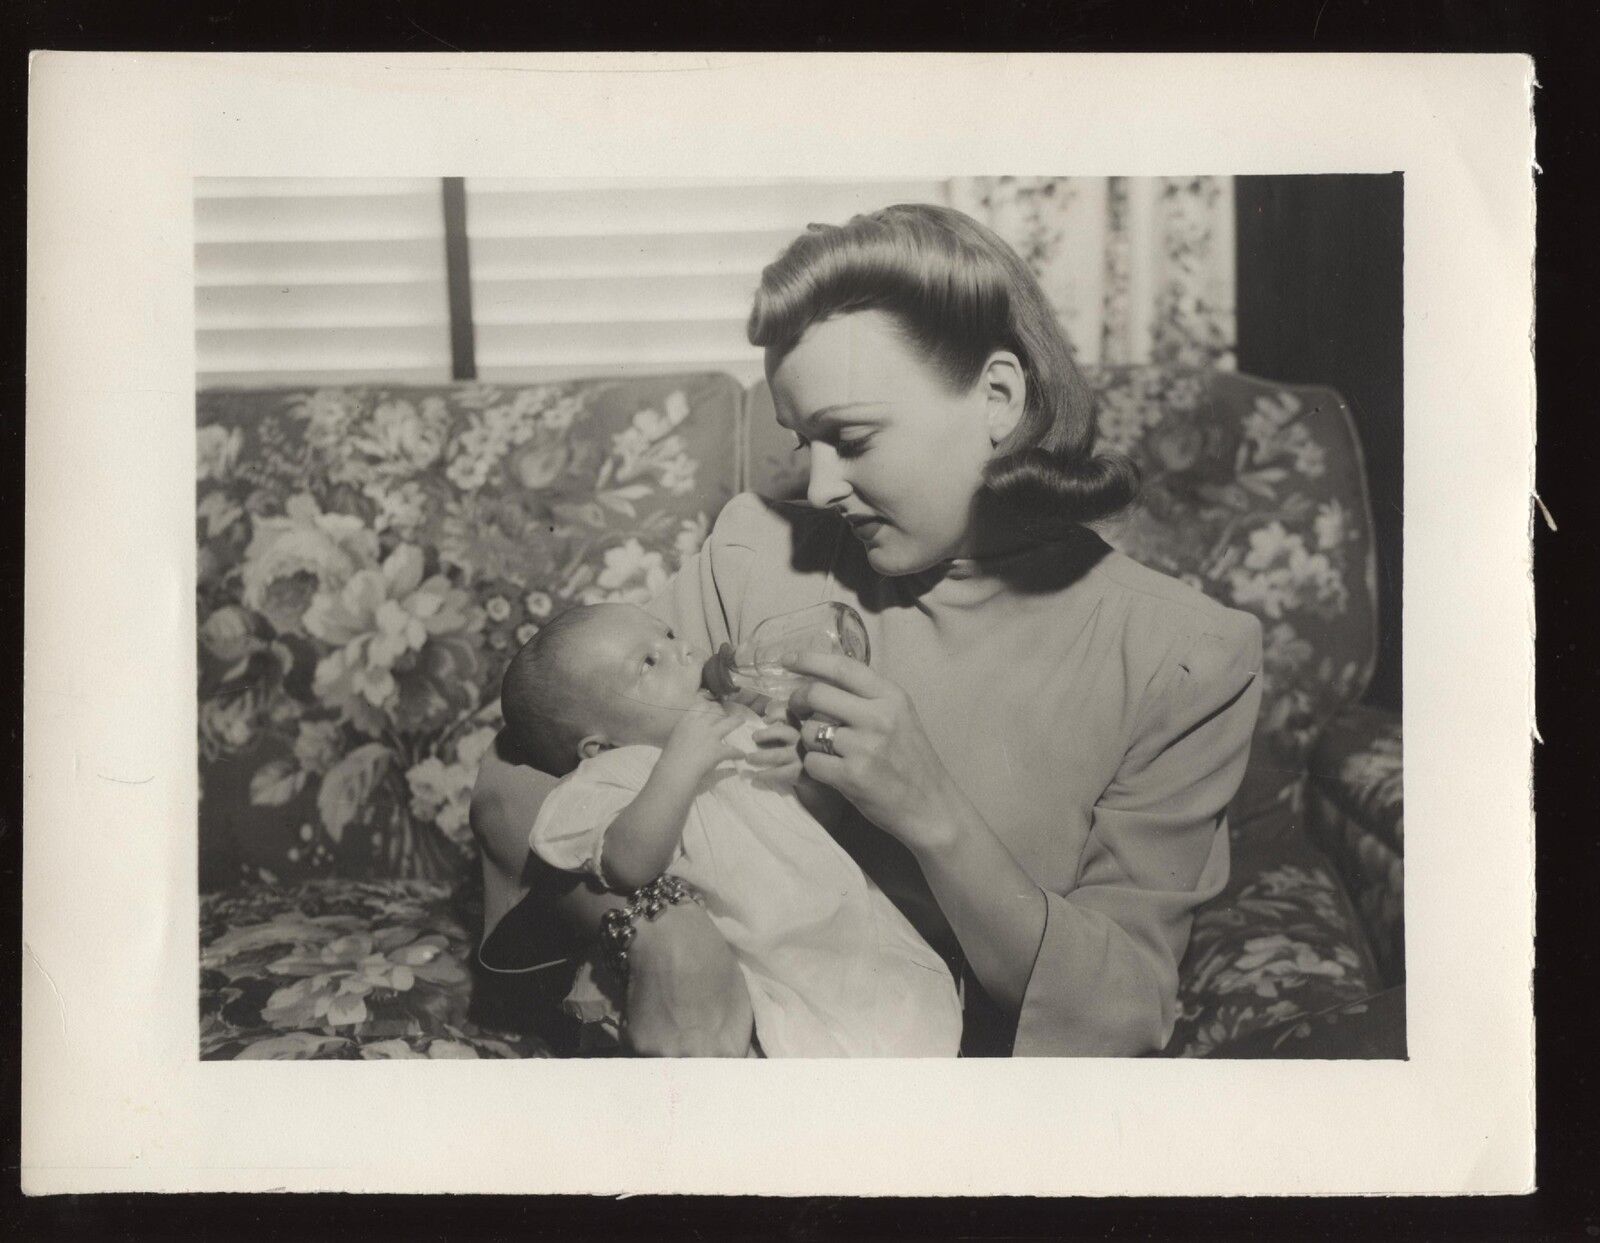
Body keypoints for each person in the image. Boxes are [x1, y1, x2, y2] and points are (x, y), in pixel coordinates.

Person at [472, 202, 1263, 1057]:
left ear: (997, 397)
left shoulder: (1184, 659)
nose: (818, 490)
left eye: (850, 437)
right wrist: (660, 926)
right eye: (805, 442)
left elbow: (1118, 1014)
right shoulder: (754, 554)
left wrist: (934, 816)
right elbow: (518, 771)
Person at [498, 601, 963, 1057]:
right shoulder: (616, 774)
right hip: (758, 970)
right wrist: (677, 766)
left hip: (838, 929)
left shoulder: (739, 721)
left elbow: (806, 827)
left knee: (898, 1014)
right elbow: (625, 864)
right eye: (647, 662)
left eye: (670, 635)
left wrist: (797, 775)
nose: (682, 652)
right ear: (599, 744)